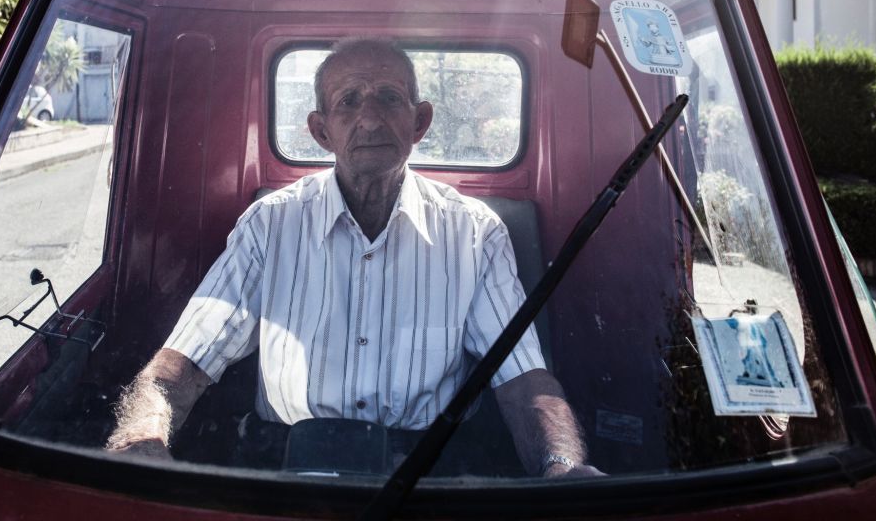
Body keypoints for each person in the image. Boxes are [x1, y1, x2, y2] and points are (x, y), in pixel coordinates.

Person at [106, 38, 597, 478]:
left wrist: (561, 469)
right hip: (288, 465)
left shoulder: (474, 233)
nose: (370, 118)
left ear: (419, 120)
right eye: (348, 102)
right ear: (321, 131)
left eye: (389, 97)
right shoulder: (269, 226)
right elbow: (183, 364)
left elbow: (522, 379)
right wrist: (138, 440)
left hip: (426, 473)